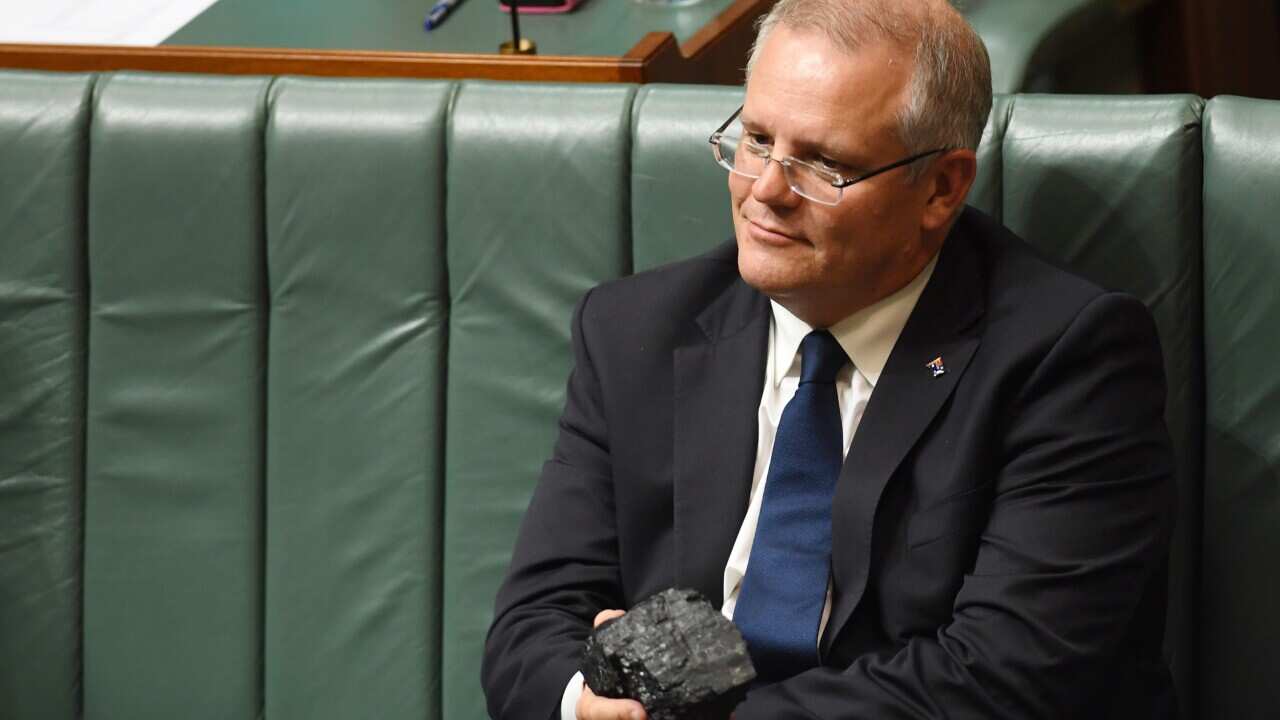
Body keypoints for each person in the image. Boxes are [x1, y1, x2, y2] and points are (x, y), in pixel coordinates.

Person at [482, 0, 1177, 717]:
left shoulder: (1066, 358)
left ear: (941, 187)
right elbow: (532, 627)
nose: (766, 191)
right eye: (755, 140)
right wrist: (582, 703)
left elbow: (1005, 677)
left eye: (823, 164)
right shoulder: (635, 332)